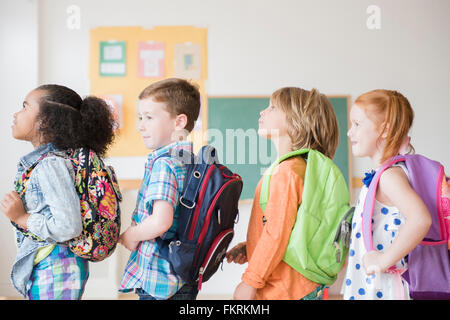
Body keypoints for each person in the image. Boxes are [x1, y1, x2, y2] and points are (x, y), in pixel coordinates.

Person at [0, 84, 116, 299]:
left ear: (45, 121)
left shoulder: (50, 165)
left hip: (57, 268)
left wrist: (22, 218)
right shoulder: (49, 162)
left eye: (25, 107)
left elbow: (67, 226)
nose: (16, 114)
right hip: (55, 266)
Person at [226, 87, 340, 300]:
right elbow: (292, 229)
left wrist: (250, 282)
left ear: (297, 122)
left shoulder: (285, 172)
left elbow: (276, 234)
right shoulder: (303, 167)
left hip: (285, 289)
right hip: (302, 285)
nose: (263, 112)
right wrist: (252, 247)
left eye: (273, 107)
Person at [341, 89, 432, 300]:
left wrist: (383, 260)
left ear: (383, 130)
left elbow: (420, 219)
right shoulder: (386, 173)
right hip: (375, 287)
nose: (349, 132)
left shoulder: (390, 176)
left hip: (383, 290)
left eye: (357, 124)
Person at [118, 78, 201, 300]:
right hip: (182, 274)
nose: (140, 125)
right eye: (140, 117)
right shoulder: (191, 161)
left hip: (160, 280)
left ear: (179, 122)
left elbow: (161, 221)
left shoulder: (165, 164)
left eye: (149, 117)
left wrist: (131, 235)